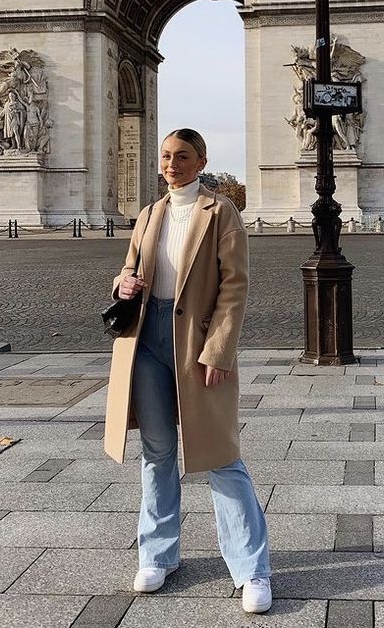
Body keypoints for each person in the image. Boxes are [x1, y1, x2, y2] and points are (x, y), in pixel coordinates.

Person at [104, 128, 272, 614]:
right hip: (146, 338)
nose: (171, 164)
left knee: (219, 453)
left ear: (201, 161)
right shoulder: (149, 214)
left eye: (181, 156)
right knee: (157, 451)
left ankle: (251, 568)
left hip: (196, 341)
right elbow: (128, 268)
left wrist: (218, 351)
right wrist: (123, 283)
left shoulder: (222, 213)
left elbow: (235, 287)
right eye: (165, 156)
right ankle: (158, 553)